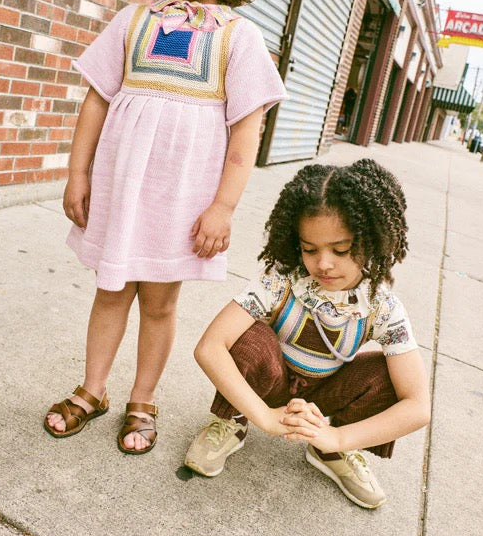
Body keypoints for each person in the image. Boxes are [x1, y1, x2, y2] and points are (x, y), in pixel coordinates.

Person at [44, 0, 286, 453]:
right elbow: (96, 100)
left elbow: (245, 133)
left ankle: (143, 398)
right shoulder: (132, 21)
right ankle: (92, 389)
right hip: (121, 191)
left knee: (159, 303)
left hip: (179, 204)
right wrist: (78, 173)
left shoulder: (238, 38)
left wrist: (223, 208)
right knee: (110, 292)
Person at [184, 159, 431, 509]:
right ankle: (233, 420)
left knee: (390, 374)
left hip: (325, 397)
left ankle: (330, 452)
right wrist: (265, 417)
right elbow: (210, 347)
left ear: (371, 240)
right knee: (249, 338)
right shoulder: (282, 279)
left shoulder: (382, 306)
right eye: (310, 249)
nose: (323, 263)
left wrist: (336, 436)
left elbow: (418, 407)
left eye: (340, 250)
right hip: (271, 383)